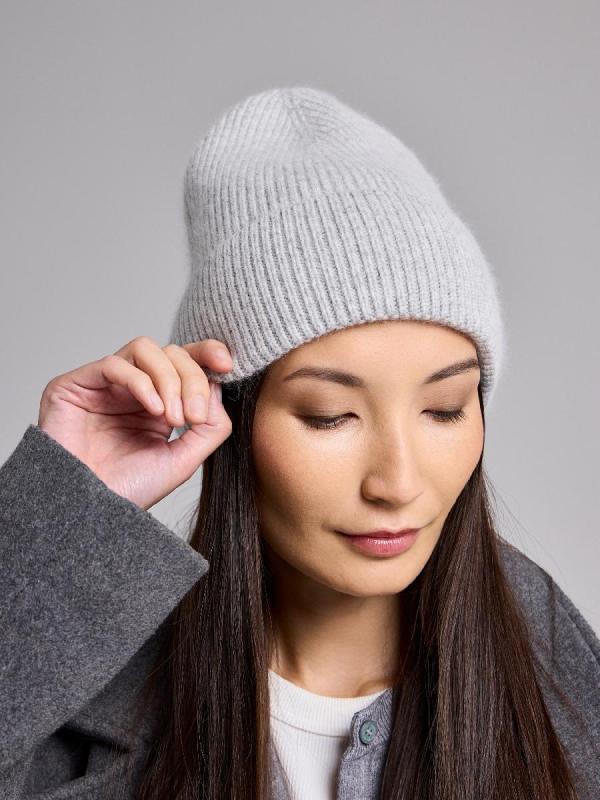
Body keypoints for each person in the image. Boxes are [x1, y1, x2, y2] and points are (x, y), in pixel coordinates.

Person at [1, 86, 599, 800]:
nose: (398, 482)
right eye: (329, 416)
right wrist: (59, 519)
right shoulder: (78, 702)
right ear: (231, 418)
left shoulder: (559, 688)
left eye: (443, 410)